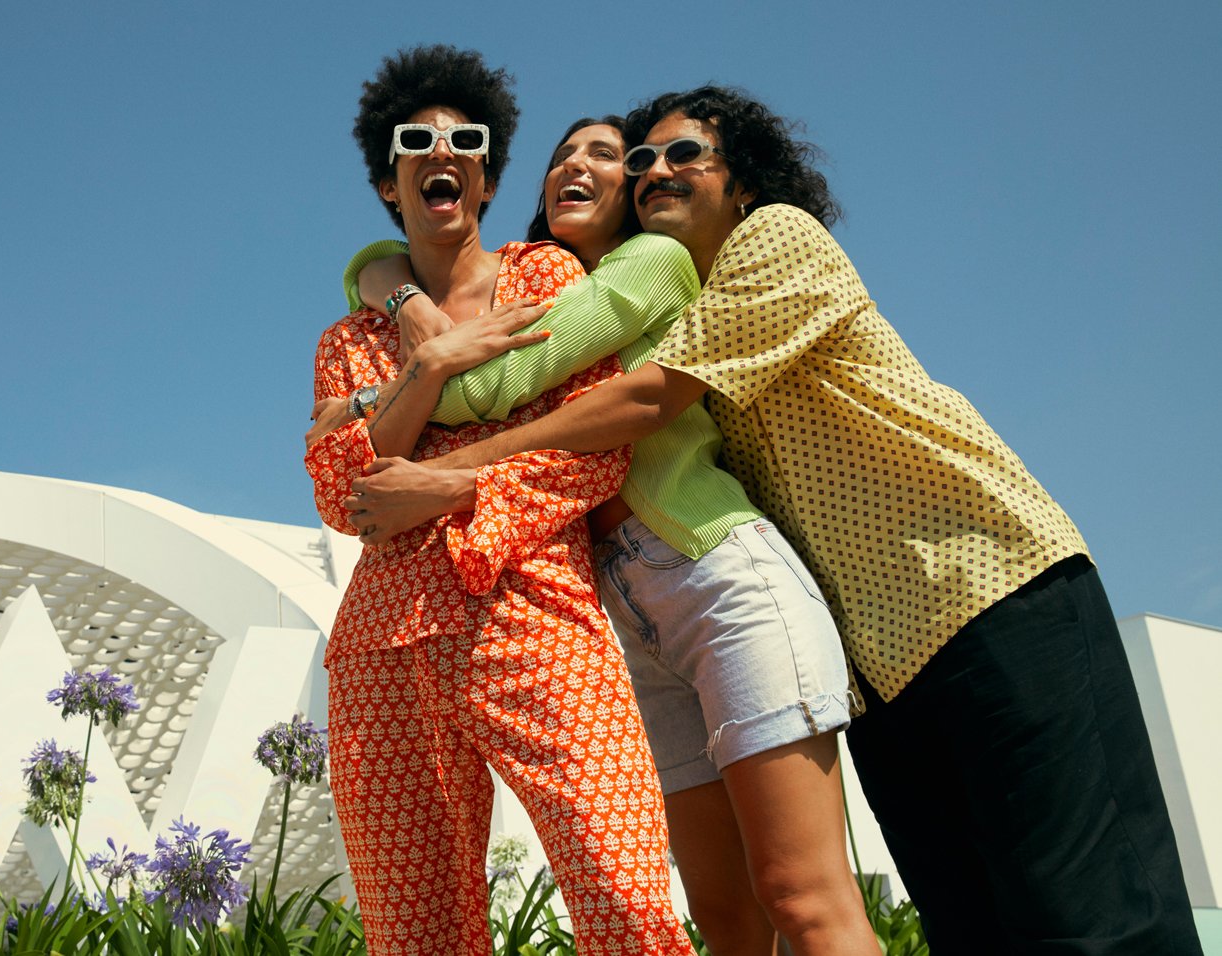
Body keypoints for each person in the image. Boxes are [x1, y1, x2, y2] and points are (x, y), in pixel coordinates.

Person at [342, 85, 1203, 953]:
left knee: (1078, 913)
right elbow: (406, 262)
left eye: (676, 155)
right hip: (869, 646)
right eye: (637, 160)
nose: (647, 170)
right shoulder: (632, 283)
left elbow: (617, 397)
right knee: (953, 915)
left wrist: (408, 423)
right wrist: (397, 290)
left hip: (981, 582)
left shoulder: (759, 243)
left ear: (746, 179)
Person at [325, 115, 880, 955]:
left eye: (610, 157)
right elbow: (341, 488)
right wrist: (402, 303)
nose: (577, 168)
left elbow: (563, 420)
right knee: (718, 914)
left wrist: (392, 411)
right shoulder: (375, 321)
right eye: (563, 155)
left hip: (657, 583)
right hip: (579, 605)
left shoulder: (608, 270)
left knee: (741, 900)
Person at [304, 45, 695, 955]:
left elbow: (593, 447)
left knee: (625, 897)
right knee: (418, 936)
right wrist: (432, 360)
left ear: (484, 176)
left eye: (467, 142)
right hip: (382, 648)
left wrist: (437, 484)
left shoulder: (546, 279)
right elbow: (341, 492)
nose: (443, 153)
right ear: (387, 182)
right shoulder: (346, 338)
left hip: (533, 611)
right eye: (416, 143)